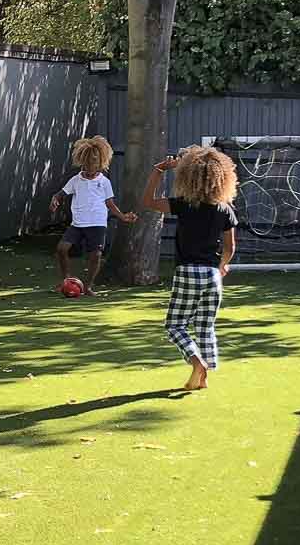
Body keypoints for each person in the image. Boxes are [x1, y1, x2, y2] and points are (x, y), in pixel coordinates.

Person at [141, 145, 238, 391]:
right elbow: (230, 248)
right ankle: (203, 376)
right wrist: (222, 265)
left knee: (175, 326)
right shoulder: (225, 209)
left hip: (188, 273)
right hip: (213, 276)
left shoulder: (184, 204)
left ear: (187, 176)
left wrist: (159, 170)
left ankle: (196, 362)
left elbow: (148, 201)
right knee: (205, 327)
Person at [49, 136, 137, 294]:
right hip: (77, 224)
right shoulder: (75, 180)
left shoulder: (104, 182)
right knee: (62, 249)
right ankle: (66, 280)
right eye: (88, 163)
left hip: (97, 224)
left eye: (94, 163)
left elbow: (110, 204)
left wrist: (123, 217)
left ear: (101, 163)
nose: (90, 166)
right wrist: (55, 200)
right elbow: (60, 194)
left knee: (96, 255)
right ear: (82, 161)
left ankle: (88, 286)